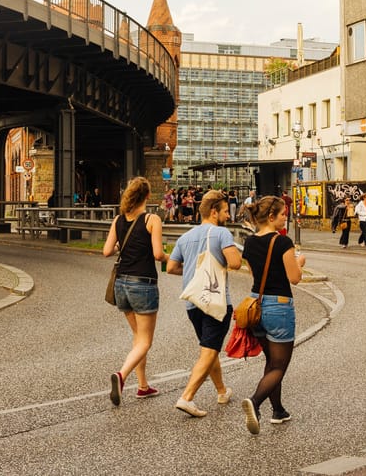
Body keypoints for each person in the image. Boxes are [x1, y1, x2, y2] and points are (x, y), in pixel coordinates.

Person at [165, 190, 242, 418]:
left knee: (210, 348)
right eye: (225, 211)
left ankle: (221, 391)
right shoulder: (221, 233)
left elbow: (171, 268)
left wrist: (194, 273)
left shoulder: (185, 237)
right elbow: (236, 263)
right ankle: (186, 397)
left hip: (193, 304)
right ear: (214, 212)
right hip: (216, 302)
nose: (228, 216)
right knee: (209, 350)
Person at [240, 196, 307, 434]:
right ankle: (255, 402)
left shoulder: (248, 243)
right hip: (279, 306)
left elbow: (253, 274)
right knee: (279, 365)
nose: (285, 217)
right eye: (282, 214)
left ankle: (278, 411)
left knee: (271, 362)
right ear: (271, 217)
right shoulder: (282, 242)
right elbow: (295, 278)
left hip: (256, 307)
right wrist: (299, 261)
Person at [102, 176, 168, 406]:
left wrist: (124, 243)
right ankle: (121, 376)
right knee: (145, 341)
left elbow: (107, 251)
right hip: (143, 284)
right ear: (147, 196)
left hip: (121, 285)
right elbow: (158, 254)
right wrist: (171, 258)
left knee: (138, 339)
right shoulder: (152, 219)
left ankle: (143, 387)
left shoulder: (118, 220)